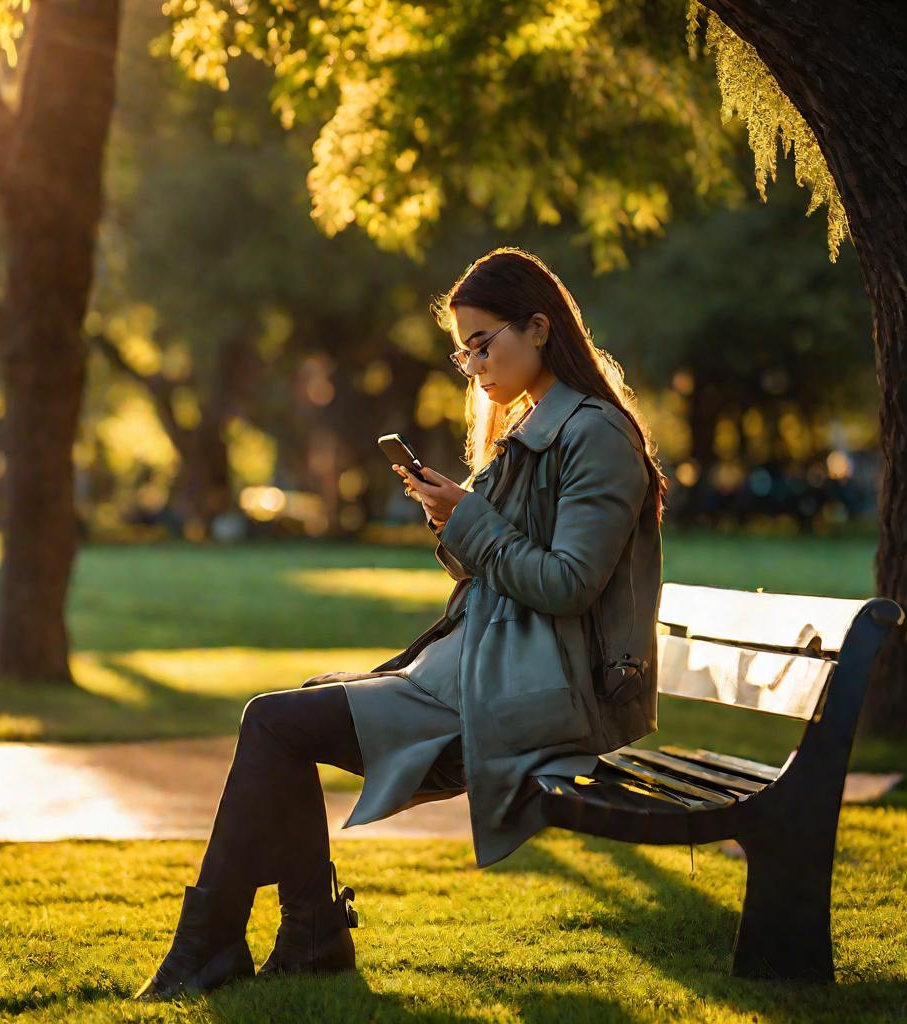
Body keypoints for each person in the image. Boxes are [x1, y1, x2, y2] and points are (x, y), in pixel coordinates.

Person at [134, 246, 666, 1000]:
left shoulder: (595, 435)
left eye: (485, 343)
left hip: (540, 693)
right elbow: (501, 567)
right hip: (490, 666)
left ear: (540, 328)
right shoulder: (534, 425)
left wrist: (473, 519)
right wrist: (453, 519)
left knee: (274, 722)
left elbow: (569, 584)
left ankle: (227, 946)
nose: (474, 364)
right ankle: (301, 935)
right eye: (464, 350)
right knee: (296, 710)